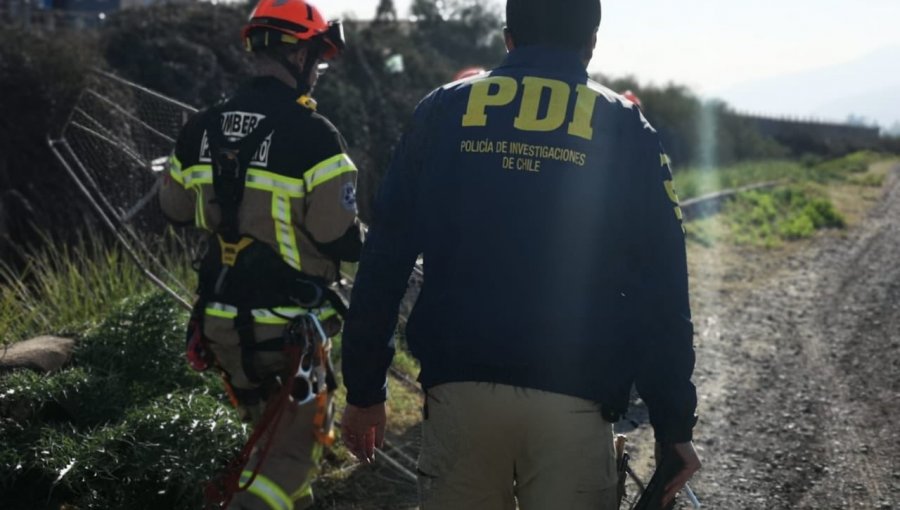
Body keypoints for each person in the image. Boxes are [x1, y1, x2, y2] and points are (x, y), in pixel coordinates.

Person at [340, 0, 700, 508]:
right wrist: (672, 423)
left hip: (457, 393)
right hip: (575, 399)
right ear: (591, 45)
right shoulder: (625, 125)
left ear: (508, 38)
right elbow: (662, 286)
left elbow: (384, 258)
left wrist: (364, 390)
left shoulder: (442, 108)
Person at [158, 1, 362, 508]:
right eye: (317, 57)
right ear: (300, 54)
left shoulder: (201, 128)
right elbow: (338, 236)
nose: (317, 71)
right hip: (289, 331)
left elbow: (174, 208)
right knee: (291, 459)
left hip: (220, 325)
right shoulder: (316, 137)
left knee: (269, 440)